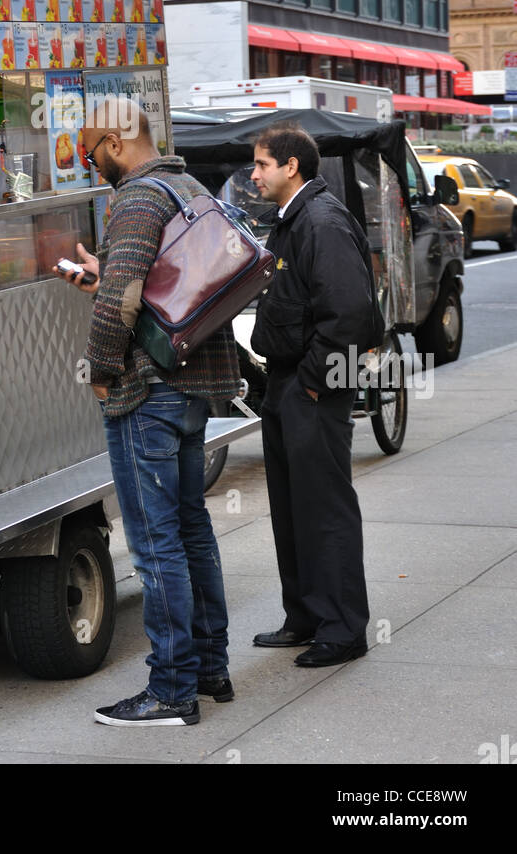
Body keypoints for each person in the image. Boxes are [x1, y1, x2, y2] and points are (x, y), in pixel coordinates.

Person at [55, 99, 245, 727]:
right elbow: (167, 279)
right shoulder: (186, 183)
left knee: (155, 544)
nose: (90, 163)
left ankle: (170, 691)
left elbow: (123, 302)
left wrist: (104, 374)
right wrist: (104, 273)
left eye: (90, 151)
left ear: (115, 139)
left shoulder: (136, 197)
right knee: (191, 530)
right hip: (194, 388)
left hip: (149, 392)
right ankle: (209, 668)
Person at [249, 126, 380, 668]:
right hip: (288, 384)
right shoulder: (293, 221)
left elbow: (349, 314)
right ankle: (305, 615)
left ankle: (343, 629)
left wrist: (310, 384)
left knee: (323, 509)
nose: (253, 175)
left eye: (261, 165)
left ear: (291, 167)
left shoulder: (320, 223)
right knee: (292, 506)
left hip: (311, 389)